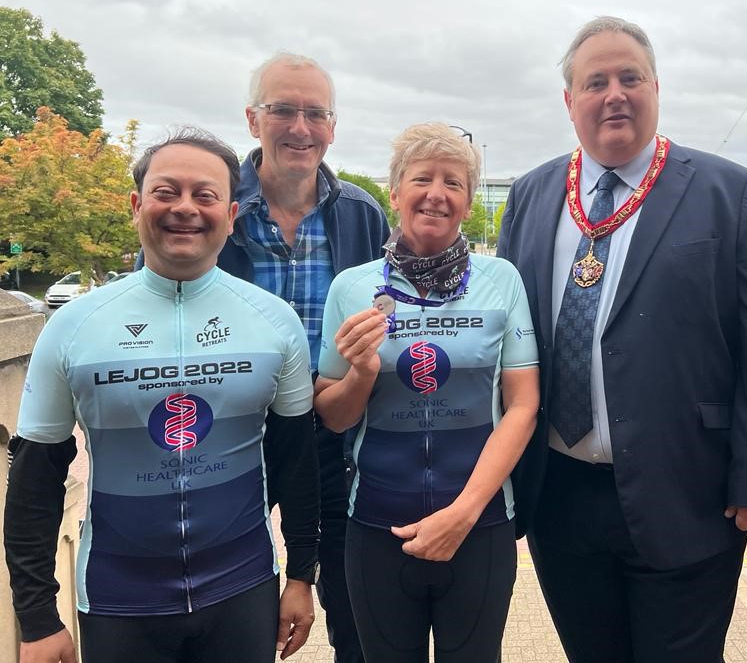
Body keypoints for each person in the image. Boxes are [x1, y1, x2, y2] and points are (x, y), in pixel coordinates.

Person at [497, 16, 747, 662]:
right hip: (560, 496)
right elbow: (504, 341)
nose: (614, 94)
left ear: (656, 88)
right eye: (595, 81)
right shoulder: (530, 195)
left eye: (629, 77)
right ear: (569, 100)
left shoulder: (728, 191)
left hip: (688, 493)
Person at [5, 130, 320, 663]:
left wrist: (301, 577)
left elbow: (298, 463)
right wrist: (37, 619)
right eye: (166, 191)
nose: (185, 208)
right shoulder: (73, 327)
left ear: (231, 213)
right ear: (137, 205)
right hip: (117, 601)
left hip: (242, 591)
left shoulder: (274, 321)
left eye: (205, 195)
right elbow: (35, 479)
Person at [314, 122, 539, 662]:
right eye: (422, 178)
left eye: (454, 183)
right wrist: (362, 372)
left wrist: (462, 514)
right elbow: (334, 416)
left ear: (467, 204)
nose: (437, 193)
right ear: (395, 193)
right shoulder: (351, 287)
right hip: (374, 525)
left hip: (479, 526)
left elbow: (523, 404)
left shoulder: (501, 279)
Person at [231, 53, 391, 663]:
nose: (301, 127)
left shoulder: (360, 213)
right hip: (236, 433)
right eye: (283, 110)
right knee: (235, 599)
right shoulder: (220, 206)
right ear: (253, 119)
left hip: (334, 431)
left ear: (332, 126)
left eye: (316, 113)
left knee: (356, 606)